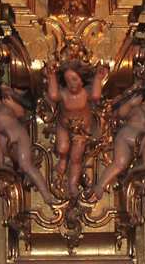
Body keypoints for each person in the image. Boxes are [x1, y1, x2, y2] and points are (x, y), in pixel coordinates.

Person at [0, 80, 54, 205]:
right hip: (3, 138)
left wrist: (11, 94)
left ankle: (46, 194)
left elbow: (23, 111)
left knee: (26, 165)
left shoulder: (4, 104)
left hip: (18, 136)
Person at [46, 60, 107, 197]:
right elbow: (53, 96)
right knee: (62, 148)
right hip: (64, 126)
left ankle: (73, 185)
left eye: (74, 79)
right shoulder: (63, 94)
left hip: (81, 131)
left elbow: (96, 96)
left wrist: (97, 78)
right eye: (68, 81)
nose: (71, 84)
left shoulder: (86, 93)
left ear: (81, 79)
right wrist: (51, 76)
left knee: (76, 158)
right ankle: (62, 158)